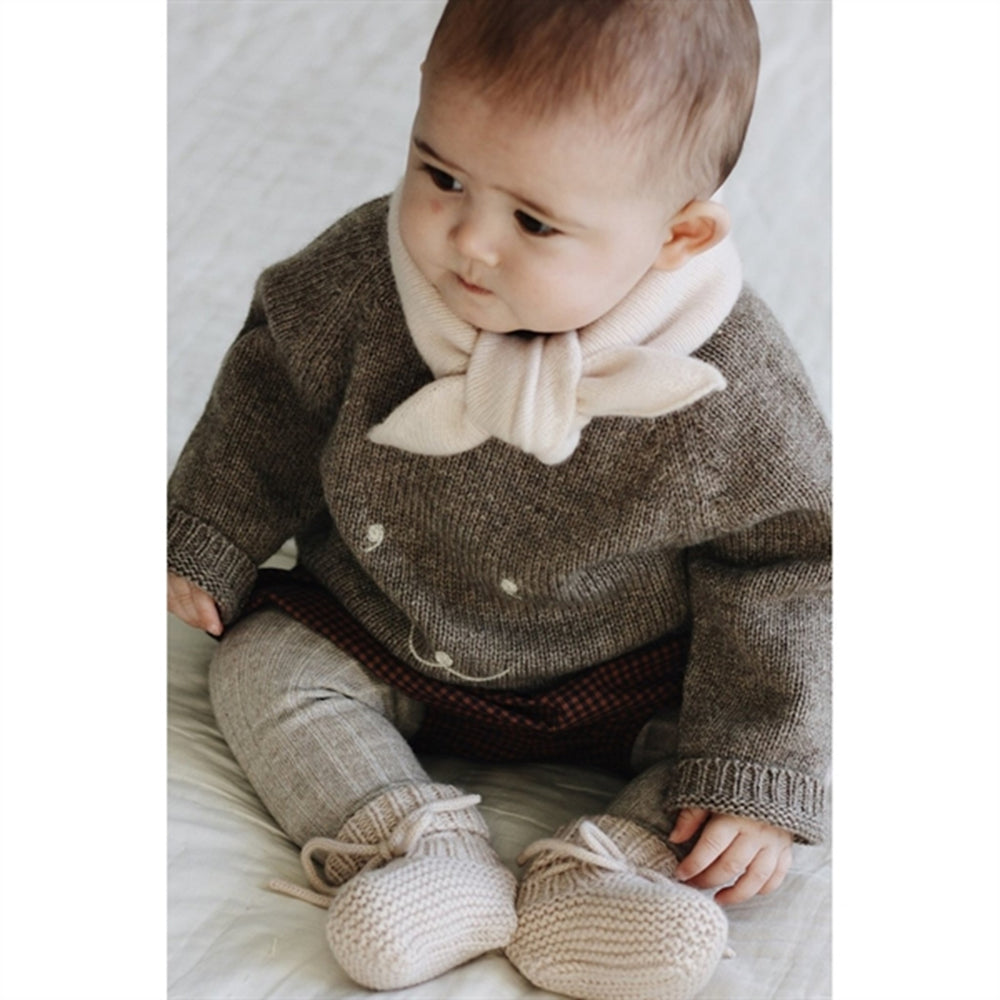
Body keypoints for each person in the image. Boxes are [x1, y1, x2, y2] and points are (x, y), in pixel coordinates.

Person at [167, 1, 830, 998]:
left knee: (760, 757)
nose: (468, 240)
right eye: (440, 175)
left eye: (533, 222)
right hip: (384, 621)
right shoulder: (359, 281)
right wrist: (209, 529)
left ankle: (606, 873)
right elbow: (273, 400)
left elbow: (790, 562)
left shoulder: (730, 386)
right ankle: (415, 847)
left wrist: (753, 764)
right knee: (259, 665)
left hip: (631, 669)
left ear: (677, 236)